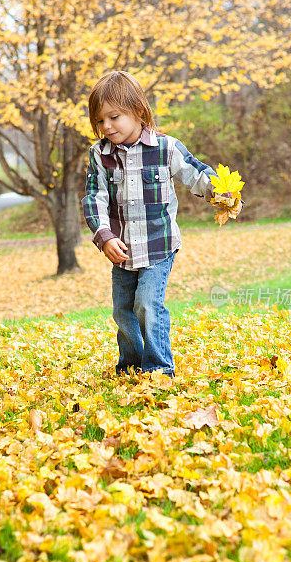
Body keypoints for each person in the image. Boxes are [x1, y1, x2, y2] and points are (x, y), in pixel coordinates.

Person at [81, 70, 225, 379]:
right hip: (121, 249)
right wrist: (104, 237)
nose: (106, 126)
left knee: (147, 303)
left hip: (159, 246)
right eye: (99, 121)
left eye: (114, 117)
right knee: (123, 311)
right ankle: (130, 366)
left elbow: (195, 173)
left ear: (138, 111)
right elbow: (94, 197)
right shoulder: (99, 155)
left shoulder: (166, 148)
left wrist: (221, 190)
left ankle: (159, 368)